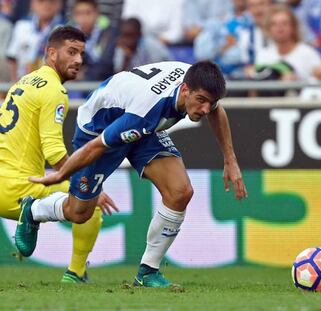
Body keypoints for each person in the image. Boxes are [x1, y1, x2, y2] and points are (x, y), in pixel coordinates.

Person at [16, 60, 248, 287]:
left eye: (210, 102)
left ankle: (148, 272)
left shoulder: (198, 81)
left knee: (180, 191)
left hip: (143, 126)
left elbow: (216, 111)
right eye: (201, 101)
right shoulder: (146, 112)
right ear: (185, 90)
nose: (205, 109)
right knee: (79, 213)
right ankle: (34, 209)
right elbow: (96, 146)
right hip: (99, 129)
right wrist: (60, 175)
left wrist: (230, 159)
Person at [0, 26, 117, 283]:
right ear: (52, 53)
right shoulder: (54, 90)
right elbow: (54, 151)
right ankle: (75, 273)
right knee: (89, 201)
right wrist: (83, 185)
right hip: (18, 188)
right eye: (71, 52)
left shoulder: (24, 81)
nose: (78, 60)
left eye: (81, 53)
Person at [6, 0, 65, 82]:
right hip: (23, 82)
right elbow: (12, 58)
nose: (46, 4)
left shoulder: (65, 29)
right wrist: (15, 82)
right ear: (32, 4)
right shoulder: (21, 26)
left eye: (51, 1)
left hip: (53, 83)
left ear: (59, 4)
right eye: (41, 1)